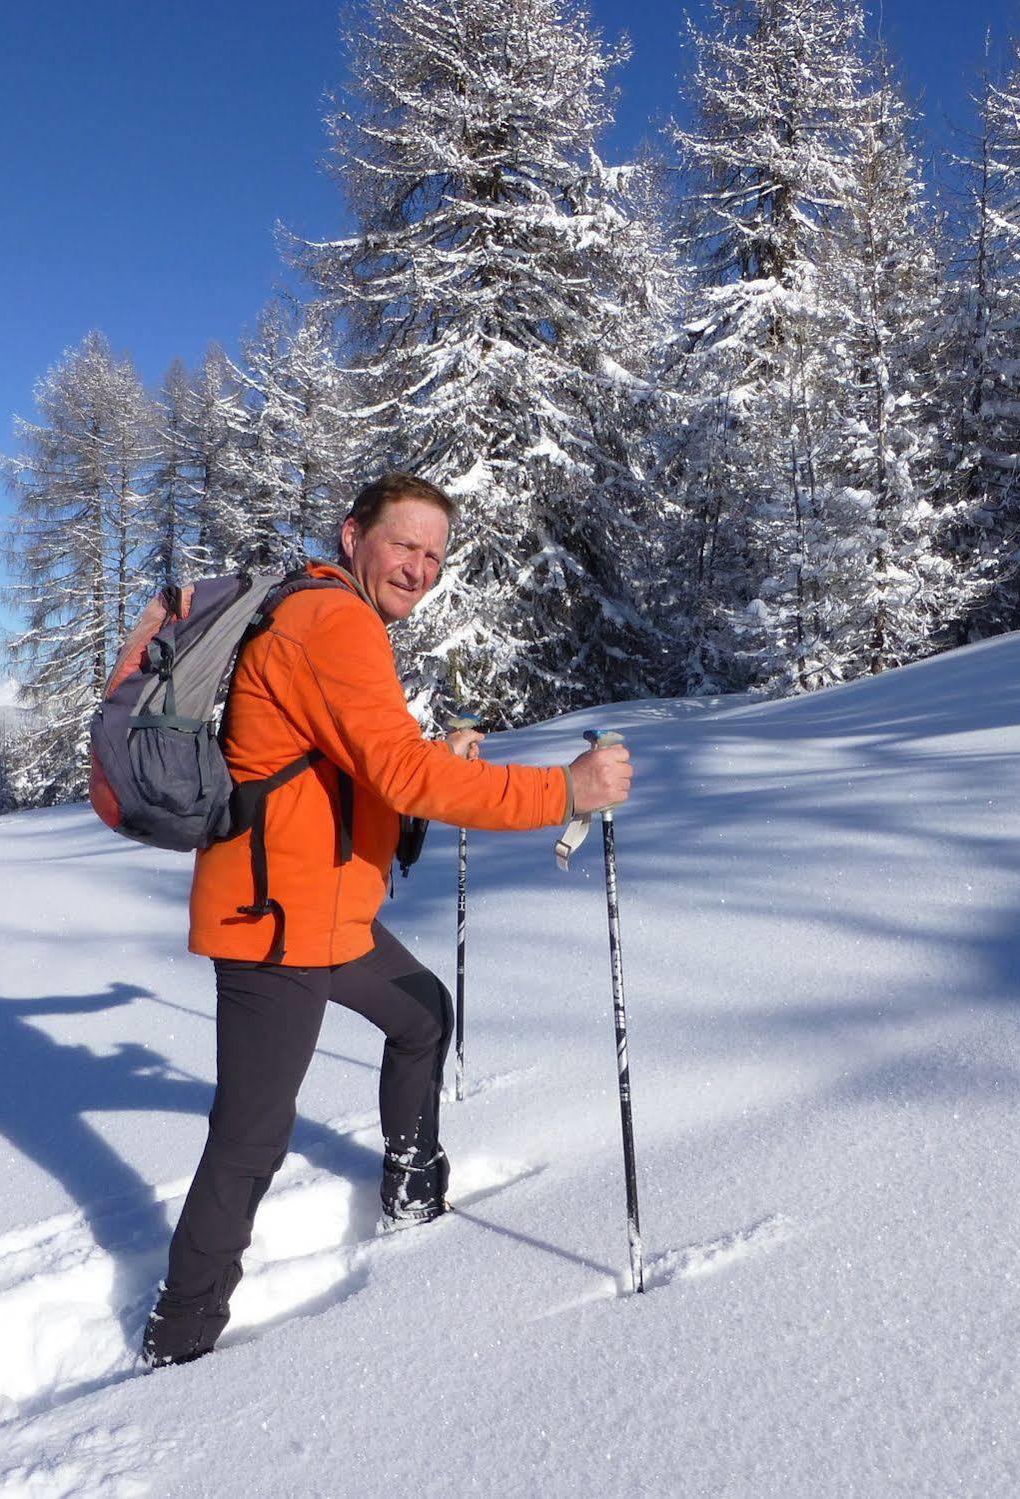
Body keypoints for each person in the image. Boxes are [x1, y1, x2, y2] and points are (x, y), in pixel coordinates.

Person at [137, 471, 633, 1367]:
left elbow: (364, 769)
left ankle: (412, 1191)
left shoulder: (332, 618)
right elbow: (402, 777)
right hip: (274, 921)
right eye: (403, 544)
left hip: (327, 910)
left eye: (434, 554)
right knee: (251, 1136)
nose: (418, 567)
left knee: (420, 1012)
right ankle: (180, 1337)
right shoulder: (332, 621)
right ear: (352, 534)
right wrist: (566, 788)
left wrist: (432, 762)